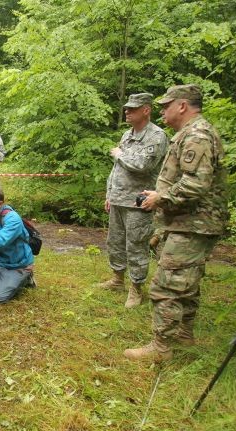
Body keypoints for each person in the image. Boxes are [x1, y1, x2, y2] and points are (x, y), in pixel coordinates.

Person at [124, 84, 228, 361]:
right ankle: (184, 334)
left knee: (167, 284)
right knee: (187, 281)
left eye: (166, 105)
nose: (162, 110)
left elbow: (195, 184)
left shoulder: (197, 134)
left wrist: (162, 197)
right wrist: (160, 196)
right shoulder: (190, 133)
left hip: (193, 223)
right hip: (188, 222)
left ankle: (161, 348)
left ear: (182, 105)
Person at [98, 93, 168, 308]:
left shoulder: (156, 136)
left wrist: (119, 154)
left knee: (136, 245)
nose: (127, 112)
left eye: (132, 109)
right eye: (126, 108)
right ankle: (117, 279)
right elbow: (116, 169)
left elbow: (142, 166)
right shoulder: (127, 135)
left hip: (139, 201)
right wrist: (110, 193)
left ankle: (136, 288)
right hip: (119, 198)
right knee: (115, 241)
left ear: (146, 110)